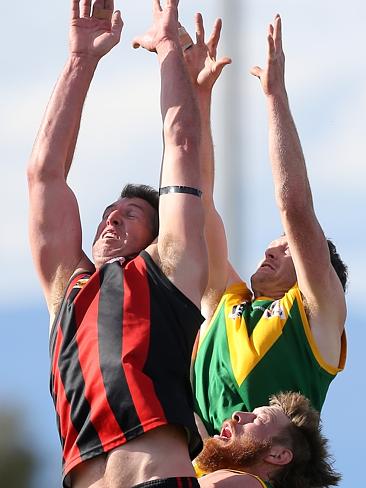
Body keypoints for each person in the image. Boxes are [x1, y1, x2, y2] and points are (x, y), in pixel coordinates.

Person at [27, 0, 208, 486]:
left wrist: (168, 46)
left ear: (155, 236)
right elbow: (45, 175)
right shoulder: (68, 287)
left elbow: (183, 144)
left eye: (131, 215)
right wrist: (81, 60)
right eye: (109, 212)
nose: (111, 219)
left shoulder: (167, 270)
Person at [182, 14, 348, 436]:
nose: (271, 250)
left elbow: (294, 208)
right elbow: (196, 207)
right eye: (274, 245)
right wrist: (198, 97)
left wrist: (274, 97)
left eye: (288, 249)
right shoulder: (226, 302)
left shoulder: (316, 315)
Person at [194, 391, 341, 488]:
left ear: (277, 455)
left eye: (259, 419)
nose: (237, 414)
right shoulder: (208, 474)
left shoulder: (248, 484)